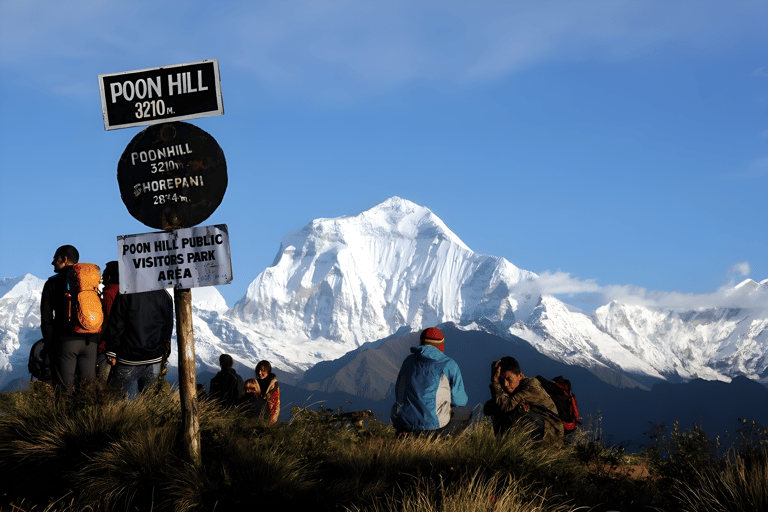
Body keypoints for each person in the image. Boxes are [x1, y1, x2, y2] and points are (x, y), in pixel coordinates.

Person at [40, 245, 98, 391]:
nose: (52, 262)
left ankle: (64, 414)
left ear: (64, 259)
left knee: (64, 390)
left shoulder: (52, 283)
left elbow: (46, 318)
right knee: (87, 390)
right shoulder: (90, 282)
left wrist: (49, 345)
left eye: (55, 259)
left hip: (66, 342)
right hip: (90, 342)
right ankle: (91, 414)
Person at [390, 327, 468, 435]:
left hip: (405, 423)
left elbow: (399, 393)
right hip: (434, 427)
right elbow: (459, 401)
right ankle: (446, 441)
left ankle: (406, 435)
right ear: (441, 346)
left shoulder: (408, 361)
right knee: (465, 412)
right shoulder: (449, 365)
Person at [103, 288, 174, 397]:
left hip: (128, 357)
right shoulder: (165, 295)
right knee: (151, 402)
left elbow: (117, 323)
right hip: (154, 358)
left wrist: (112, 350)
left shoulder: (126, 290)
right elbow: (168, 328)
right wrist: (163, 352)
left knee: (124, 404)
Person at [484, 356, 564, 446]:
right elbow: (488, 408)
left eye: (509, 379)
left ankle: (528, 450)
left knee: (515, 412)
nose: (505, 384)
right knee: (500, 411)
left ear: (519, 375)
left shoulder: (530, 385)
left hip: (551, 434)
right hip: (539, 428)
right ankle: (503, 447)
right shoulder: (513, 390)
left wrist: (495, 382)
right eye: (501, 380)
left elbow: (506, 406)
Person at [96, 261, 119, 383]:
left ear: (109, 277)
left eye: (103, 274)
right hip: (124, 348)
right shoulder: (126, 292)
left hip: (106, 349)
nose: (101, 277)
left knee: (102, 384)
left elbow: (108, 321)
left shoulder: (108, 294)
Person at [254, 360, 280, 424]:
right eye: (258, 370)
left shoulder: (273, 384)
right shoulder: (258, 382)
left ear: (268, 371)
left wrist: (271, 421)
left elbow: (275, 403)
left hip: (267, 417)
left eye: (262, 370)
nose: (260, 373)